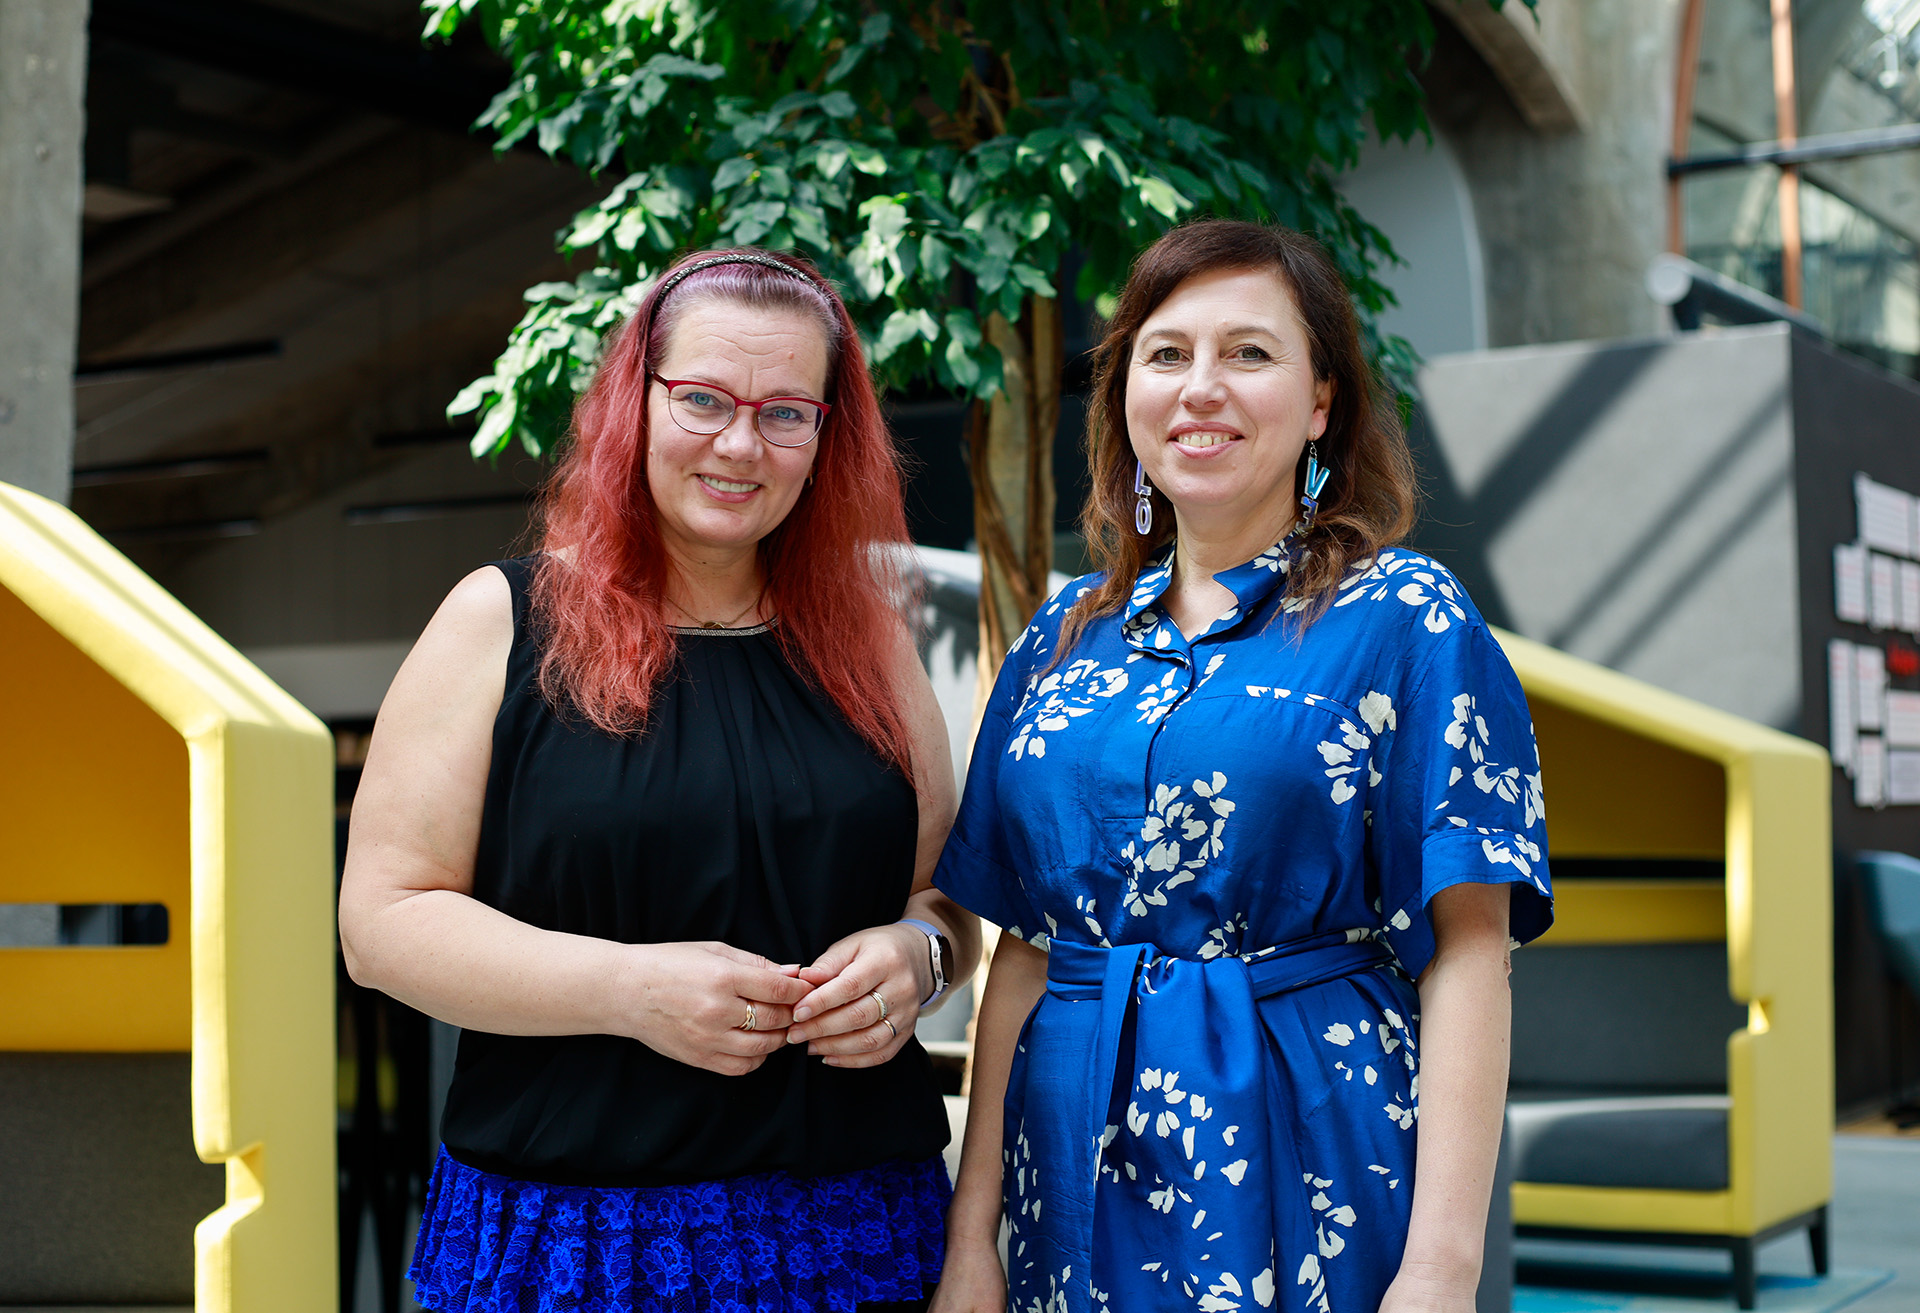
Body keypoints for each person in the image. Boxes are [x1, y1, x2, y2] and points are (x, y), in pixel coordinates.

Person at [338, 248, 980, 1313]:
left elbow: (944, 892)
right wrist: (627, 989)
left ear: (827, 437)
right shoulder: (502, 620)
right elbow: (382, 923)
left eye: (786, 413)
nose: (741, 444)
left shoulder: (871, 639)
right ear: (634, 404)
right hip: (581, 1239)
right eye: (704, 400)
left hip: (858, 1231)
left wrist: (919, 956)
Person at [930, 220, 1553, 1313]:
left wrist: (1442, 1270)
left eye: (1249, 353)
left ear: (1320, 402)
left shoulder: (1404, 617)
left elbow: (1469, 949)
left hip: (1307, 1151)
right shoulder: (1060, 639)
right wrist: (971, 1239)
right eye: (1166, 354)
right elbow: (1026, 952)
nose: (1200, 387)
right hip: (1064, 1175)